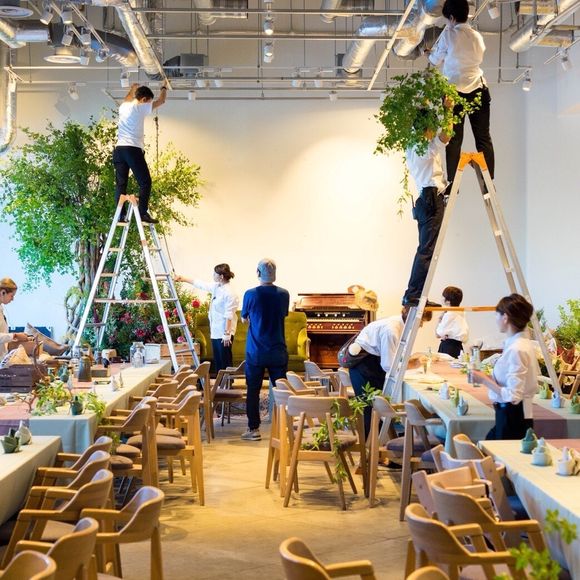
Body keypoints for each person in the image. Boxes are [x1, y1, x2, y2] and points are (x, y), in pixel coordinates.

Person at [428, 0, 495, 188]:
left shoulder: (448, 34)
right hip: (478, 89)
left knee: (453, 138)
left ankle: (453, 184)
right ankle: (489, 182)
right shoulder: (477, 36)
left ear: (451, 18)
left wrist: (428, 53)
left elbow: (435, 60)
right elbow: (475, 57)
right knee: (483, 137)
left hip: (453, 93)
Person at [349, 306, 432, 434]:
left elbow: (397, 354)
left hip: (371, 364)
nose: (421, 326)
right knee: (369, 410)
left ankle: (377, 441)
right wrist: (411, 364)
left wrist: (409, 360)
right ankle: (369, 444)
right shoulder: (391, 330)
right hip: (364, 367)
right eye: (421, 321)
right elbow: (388, 365)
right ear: (412, 317)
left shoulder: (398, 325)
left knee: (375, 410)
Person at [402, 100, 453, 307]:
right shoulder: (421, 147)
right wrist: (448, 110)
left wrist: (424, 104)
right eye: (432, 127)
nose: (434, 131)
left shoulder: (413, 145)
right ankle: (413, 294)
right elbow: (446, 137)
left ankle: (415, 293)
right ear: (426, 128)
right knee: (426, 250)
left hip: (426, 199)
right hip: (431, 199)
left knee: (425, 249)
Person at [472, 294, 539, 440]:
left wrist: (484, 380)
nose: (495, 319)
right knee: (486, 446)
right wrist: (486, 378)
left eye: (497, 315)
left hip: (513, 417)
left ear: (505, 317)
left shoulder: (517, 349)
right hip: (510, 415)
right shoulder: (517, 344)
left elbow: (513, 396)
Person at [240, 259, 290, 441]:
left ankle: (253, 429)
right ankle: (284, 428)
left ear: (258, 273)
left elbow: (244, 318)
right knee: (281, 391)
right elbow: (283, 315)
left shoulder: (250, 294)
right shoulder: (284, 294)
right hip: (278, 350)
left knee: (253, 390)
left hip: (256, 351)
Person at [113, 83, 167, 224]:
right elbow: (161, 101)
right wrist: (164, 88)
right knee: (145, 182)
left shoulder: (124, 106)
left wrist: (132, 88)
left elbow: (127, 98)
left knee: (121, 184)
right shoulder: (140, 107)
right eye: (148, 101)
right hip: (132, 149)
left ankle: (120, 216)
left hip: (119, 150)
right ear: (144, 99)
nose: (149, 104)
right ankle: (142, 213)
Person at [175, 264, 239, 372]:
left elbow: (229, 315)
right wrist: (183, 279)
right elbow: (201, 284)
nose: (213, 275)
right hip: (215, 330)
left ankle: (228, 380)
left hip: (224, 332)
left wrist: (227, 334)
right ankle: (220, 381)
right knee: (218, 360)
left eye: (215, 274)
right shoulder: (217, 286)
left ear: (221, 276)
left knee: (225, 360)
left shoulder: (230, 293)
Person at [0, 278, 31, 358]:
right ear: (3, 292)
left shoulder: (1, 309)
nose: (13, 299)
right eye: (11, 296)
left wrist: (14, 337)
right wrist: (15, 335)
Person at [436, 285, 469, 358]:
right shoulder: (461, 313)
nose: (441, 297)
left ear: (448, 301)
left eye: (443, 296)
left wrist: (439, 319)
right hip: (458, 347)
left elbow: (437, 334)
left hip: (448, 348)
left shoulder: (449, 314)